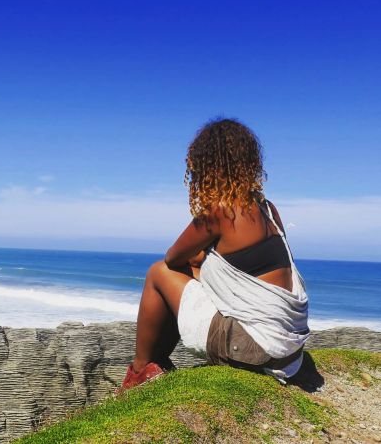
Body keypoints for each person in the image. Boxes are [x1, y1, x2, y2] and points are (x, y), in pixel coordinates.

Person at [119, 118, 310, 392]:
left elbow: (173, 259)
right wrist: (200, 264)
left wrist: (196, 262)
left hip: (255, 348)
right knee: (193, 274)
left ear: (207, 165)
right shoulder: (267, 208)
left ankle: (139, 371)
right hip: (289, 353)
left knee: (157, 272)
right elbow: (241, 267)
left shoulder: (220, 211)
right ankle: (156, 363)